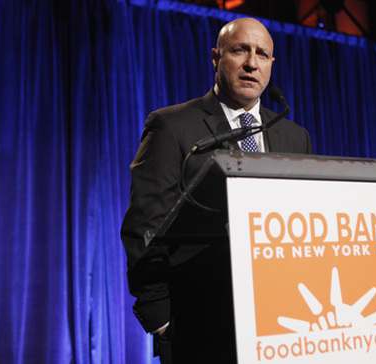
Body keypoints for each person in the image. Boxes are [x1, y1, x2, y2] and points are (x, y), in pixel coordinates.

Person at [121, 17, 313, 363]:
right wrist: (161, 320)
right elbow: (144, 225)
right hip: (199, 325)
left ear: (272, 64)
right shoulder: (172, 126)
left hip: (282, 321)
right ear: (216, 58)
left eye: (262, 54)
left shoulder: (293, 136)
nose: (252, 63)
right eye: (240, 50)